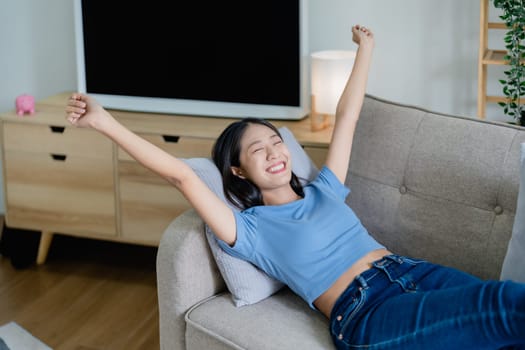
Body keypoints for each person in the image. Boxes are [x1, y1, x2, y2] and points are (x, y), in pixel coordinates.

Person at [66, 25, 525, 349]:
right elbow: (182, 175)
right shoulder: (249, 228)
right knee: (505, 304)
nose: (274, 152)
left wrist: (367, 48)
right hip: (365, 312)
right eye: (257, 150)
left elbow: (347, 118)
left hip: (413, 273)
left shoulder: (324, 188)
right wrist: (105, 122)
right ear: (239, 172)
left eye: (275, 141)